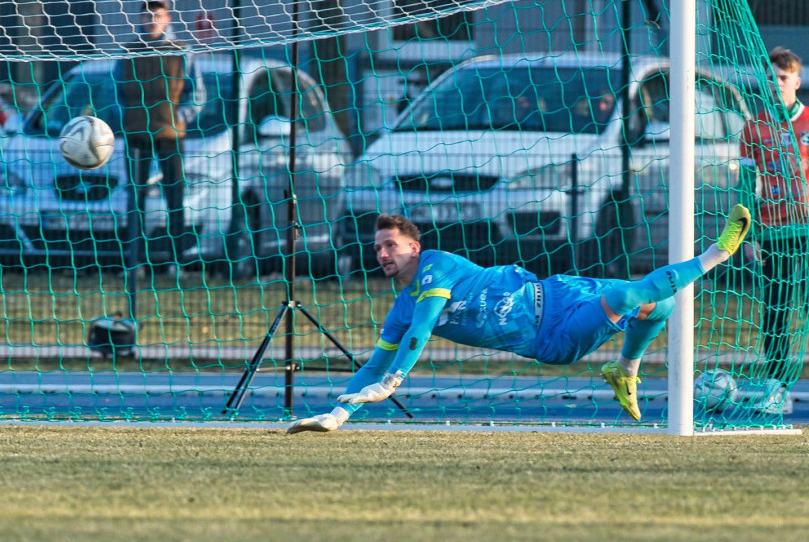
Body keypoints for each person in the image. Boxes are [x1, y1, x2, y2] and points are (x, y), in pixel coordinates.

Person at [287, 206, 751, 433]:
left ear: (414, 246)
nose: (383, 253)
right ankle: (718, 253)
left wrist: (393, 380)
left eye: (390, 244)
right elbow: (387, 353)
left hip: (557, 288)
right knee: (630, 293)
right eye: (377, 248)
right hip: (551, 338)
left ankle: (624, 371)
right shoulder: (399, 312)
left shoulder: (436, 264)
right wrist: (337, 414)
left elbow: (426, 323)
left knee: (660, 306)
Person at [738, 46, 809, 415]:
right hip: (775, 234)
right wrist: (747, 237)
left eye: (783, 77)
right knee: (778, 311)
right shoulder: (754, 128)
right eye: (772, 78)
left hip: (808, 231)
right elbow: (745, 189)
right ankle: (777, 388)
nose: (777, 83)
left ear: (797, 81)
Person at [117, 0, 193, 277]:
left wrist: (180, 117)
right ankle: (135, 263)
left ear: (167, 18)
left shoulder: (181, 50)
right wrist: (124, 118)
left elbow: (196, 94)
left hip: (170, 136)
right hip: (136, 135)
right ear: (140, 19)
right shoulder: (129, 52)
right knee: (134, 199)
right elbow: (117, 92)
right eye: (147, 16)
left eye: (157, 15)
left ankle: (176, 263)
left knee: (175, 196)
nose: (152, 20)